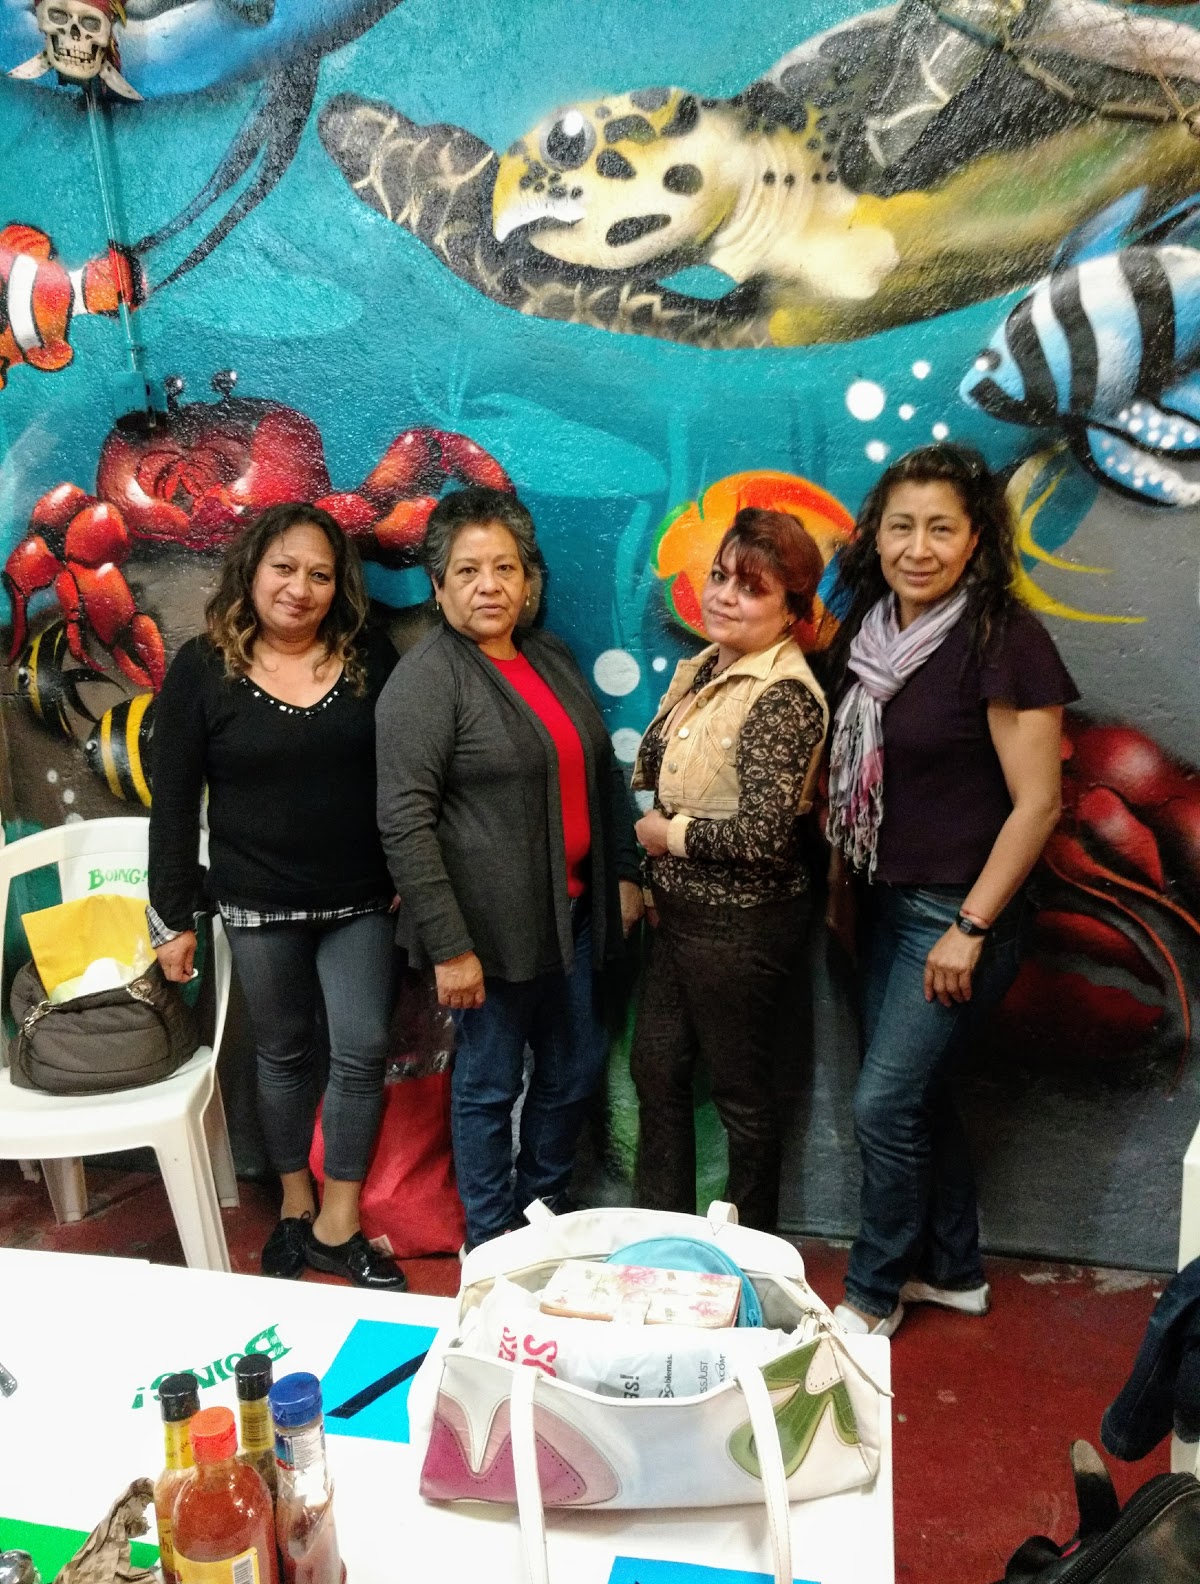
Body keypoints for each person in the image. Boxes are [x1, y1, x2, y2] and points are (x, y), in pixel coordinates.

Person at [824, 443, 1078, 1337]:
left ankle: (871, 1293)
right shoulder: (867, 635)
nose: (918, 548)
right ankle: (954, 1271)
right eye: (902, 526)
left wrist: (970, 927)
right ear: (877, 535)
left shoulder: (1006, 640)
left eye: (942, 528)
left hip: (959, 914)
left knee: (885, 1104)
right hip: (883, 903)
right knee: (919, 1098)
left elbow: (1038, 805)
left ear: (976, 540)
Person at [375, 486, 643, 1253]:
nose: (488, 585)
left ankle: (540, 1211)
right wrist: (450, 948)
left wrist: (624, 871)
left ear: (528, 581)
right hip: (486, 935)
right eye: (467, 571)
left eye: (504, 568)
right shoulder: (427, 681)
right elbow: (404, 823)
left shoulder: (549, 657)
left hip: (575, 918)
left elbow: (601, 773)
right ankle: (491, 1242)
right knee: (490, 1086)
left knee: (576, 1068)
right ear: (438, 587)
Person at [148, 502, 406, 1291]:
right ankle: (295, 1204)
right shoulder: (202, 668)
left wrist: (410, 871)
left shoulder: (369, 656)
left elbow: (407, 775)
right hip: (257, 903)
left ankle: (339, 1222)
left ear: (339, 585)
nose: (300, 588)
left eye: (320, 575)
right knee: (284, 1052)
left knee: (361, 1049)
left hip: (362, 899)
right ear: (252, 572)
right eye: (284, 568)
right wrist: (172, 918)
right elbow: (173, 802)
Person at [629, 507, 829, 1232]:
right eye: (720, 576)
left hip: (740, 924)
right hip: (682, 913)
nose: (723, 596)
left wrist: (667, 836)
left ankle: (747, 1263)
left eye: (751, 588)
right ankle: (664, 1244)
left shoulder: (783, 694)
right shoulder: (708, 667)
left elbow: (765, 836)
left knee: (743, 1100)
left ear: (791, 611)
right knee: (657, 1070)